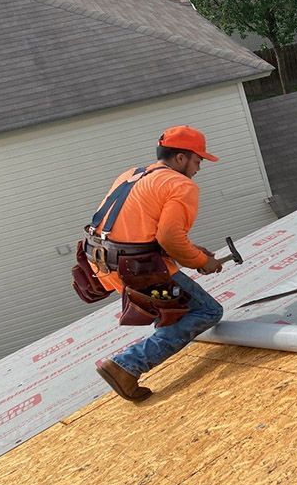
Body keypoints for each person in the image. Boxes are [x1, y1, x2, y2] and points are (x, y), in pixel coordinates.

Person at [87, 126, 225, 402]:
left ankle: (133, 364)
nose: (199, 168)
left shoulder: (132, 174)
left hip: (103, 262)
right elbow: (170, 237)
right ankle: (126, 365)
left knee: (174, 310)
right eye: (198, 160)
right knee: (207, 311)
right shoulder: (180, 185)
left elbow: (139, 229)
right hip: (139, 269)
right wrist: (201, 261)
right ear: (181, 157)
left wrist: (194, 251)